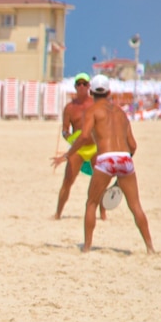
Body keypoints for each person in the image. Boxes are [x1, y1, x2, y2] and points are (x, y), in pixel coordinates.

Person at [52, 75, 154, 254]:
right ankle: (150, 247)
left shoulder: (91, 111)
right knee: (135, 205)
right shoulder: (121, 113)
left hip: (106, 158)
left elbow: (84, 136)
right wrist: (124, 163)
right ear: (109, 92)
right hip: (125, 158)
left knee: (91, 203)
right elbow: (133, 145)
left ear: (91, 92)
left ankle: (87, 247)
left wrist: (68, 154)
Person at [55, 73, 105, 221]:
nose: (82, 86)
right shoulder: (70, 108)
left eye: (84, 84)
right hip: (78, 148)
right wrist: (69, 137)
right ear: (75, 87)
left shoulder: (95, 104)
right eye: (79, 84)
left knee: (100, 181)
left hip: (95, 146)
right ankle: (58, 214)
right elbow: (65, 130)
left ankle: (103, 214)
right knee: (68, 180)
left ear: (89, 86)